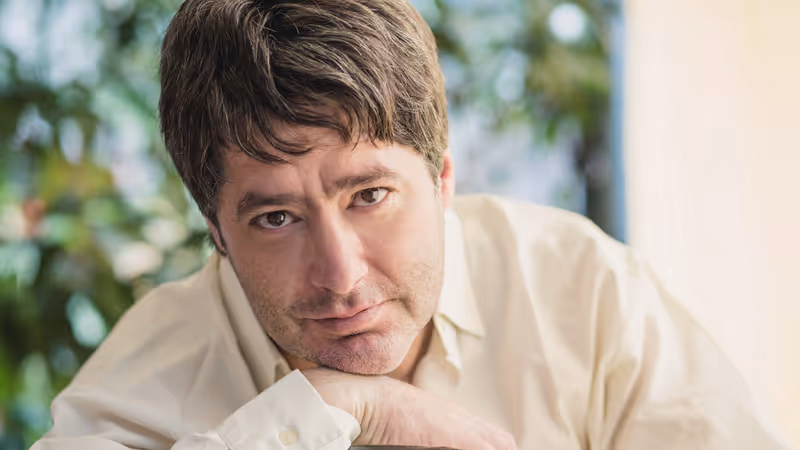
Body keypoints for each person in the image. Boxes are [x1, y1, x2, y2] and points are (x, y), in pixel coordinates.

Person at [33, 0, 791, 449]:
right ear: (217, 231)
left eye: (369, 196)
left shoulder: (584, 294)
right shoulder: (153, 371)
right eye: (276, 217)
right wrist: (334, 411)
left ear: (443, 177)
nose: (340, 275)